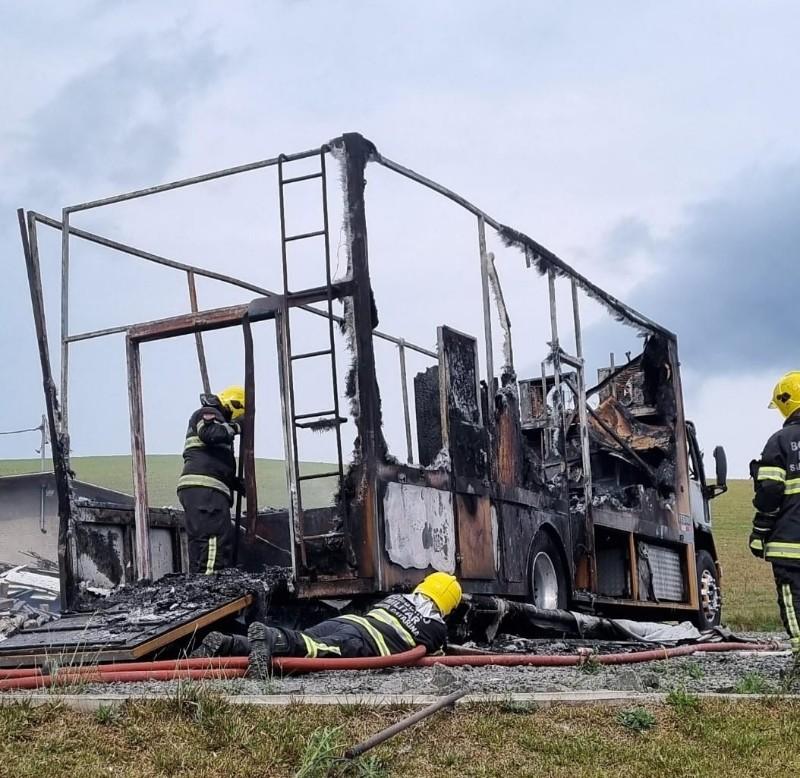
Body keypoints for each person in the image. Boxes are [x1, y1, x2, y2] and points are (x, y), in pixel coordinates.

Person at [191, 572, 463, 678]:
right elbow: (433, 655)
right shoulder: (436, 626)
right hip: (364, 644)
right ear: (448, 605)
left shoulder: (397, 597)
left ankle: (230, 644)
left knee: (303, 641)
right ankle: (269, 636)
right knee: (310, 651)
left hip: (348, 621)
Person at [750, 372, 800, 658]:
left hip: (790, 547)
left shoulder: (780, 442)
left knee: (794, 602)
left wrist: (759, 532)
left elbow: (770, 493)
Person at [177, 385, 245, 575]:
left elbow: (213, 461)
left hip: (200, 487)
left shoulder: (214, 417)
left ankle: (198, 581)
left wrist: (234, 483)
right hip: (206, 488)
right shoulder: (208, 412)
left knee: (200, 540)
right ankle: (210, 583)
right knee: (214, 537)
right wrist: (237, 426)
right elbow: (210, 434)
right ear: (235, 405)